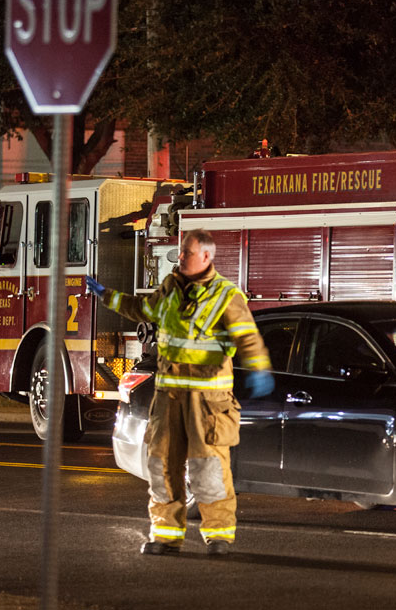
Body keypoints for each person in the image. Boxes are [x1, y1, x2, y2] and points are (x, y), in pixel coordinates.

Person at [86, 229, 273, 558]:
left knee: (209, 470)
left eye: (187, 252)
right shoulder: (170, 290)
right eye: (180, 252)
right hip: (168, 400)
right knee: (161, 468)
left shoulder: (227, 296)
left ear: (206, 257)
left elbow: (248, 338)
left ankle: (219, 538)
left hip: (207, 404)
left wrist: (259, 369)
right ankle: (165, 535)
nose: (180, 257)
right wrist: (107, 296)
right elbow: (143, 308)